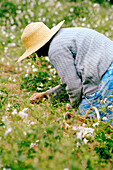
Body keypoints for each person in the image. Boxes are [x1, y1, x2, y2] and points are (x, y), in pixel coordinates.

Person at [17, 20, 113, 124]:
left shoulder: (55, 50)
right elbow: (70, 84)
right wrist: (47, 95)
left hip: (107, 73)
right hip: (108, 68)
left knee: (85, 121)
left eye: (35, 51)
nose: (38, 55)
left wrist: (75, 109)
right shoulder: (63, 36)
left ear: (40, 46)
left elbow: (74, 87)